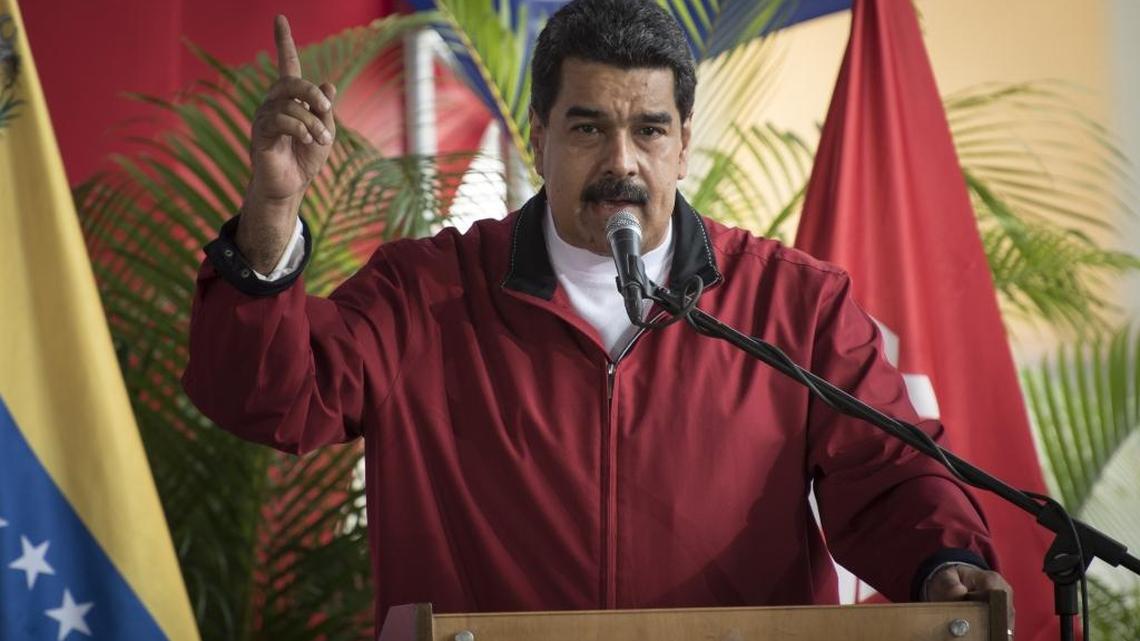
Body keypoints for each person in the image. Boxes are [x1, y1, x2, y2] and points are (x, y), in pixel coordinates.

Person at [182, 0, 1014, 631]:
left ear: (684, 143)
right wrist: (272, 210)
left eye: (649, 130)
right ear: (540, 134)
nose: (622, 161)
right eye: (588, 127)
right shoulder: (425, 294)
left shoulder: (791, 304)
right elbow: (267, 394)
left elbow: (895, 477)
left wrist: (943, 563)